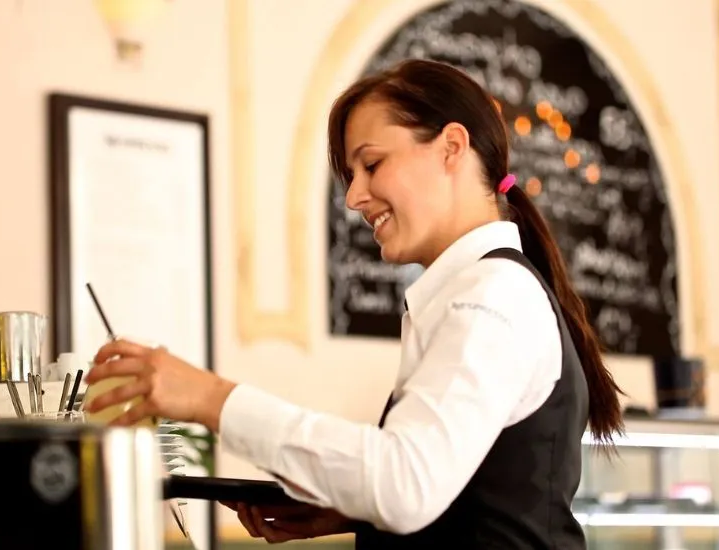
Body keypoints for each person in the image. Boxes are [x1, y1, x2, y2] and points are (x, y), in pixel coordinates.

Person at [84, 59, 625, 548]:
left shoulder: (492, 296)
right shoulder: (476, 293)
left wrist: (210, 398)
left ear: (451, 148)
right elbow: (456, 490)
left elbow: (404, 483)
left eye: (371, 165)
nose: (353, 197)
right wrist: (351, 513)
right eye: (351, 175)